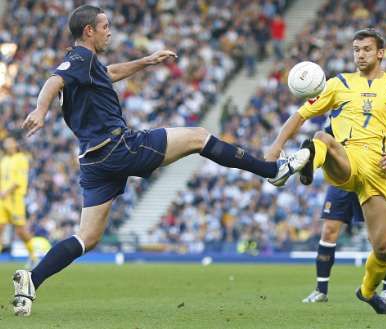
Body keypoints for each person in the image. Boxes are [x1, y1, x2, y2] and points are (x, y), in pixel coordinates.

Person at [12, 5, 310, 316]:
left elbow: (109, 73)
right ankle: (271, 170)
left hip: (93, 161)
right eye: (104, 26)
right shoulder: (78, 58)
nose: (109, 31)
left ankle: (32, 279)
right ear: (89, 31)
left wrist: (146, 61)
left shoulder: (88, 66)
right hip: (117, 147)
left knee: (87, 237)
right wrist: (40, 110)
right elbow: (53, 81)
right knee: (198, 137)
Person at [265, 28, 386, 314]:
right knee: (322, 138)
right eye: (356, 49)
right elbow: (300, 115)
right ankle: (303, 163)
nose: (360, 54)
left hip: (379, 173)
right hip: (346, 159)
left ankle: (368, 292)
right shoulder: (337, 84)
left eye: (366, 49)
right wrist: (276, 146)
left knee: (382, 248)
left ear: (380, 53)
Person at [302, 128, 386, 305]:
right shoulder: (340, 107)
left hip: (370, 174)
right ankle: (320, 290)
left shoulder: (380, 108)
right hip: (342, 178)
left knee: (377, 239)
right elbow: (326, 138)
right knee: (329, 231)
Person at [0, 137, 36, 267]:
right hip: (3, 199)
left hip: (15, 198)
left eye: (9, 142)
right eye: (5, 142)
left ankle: (33, 256)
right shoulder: (4, 160)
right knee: (0, 227)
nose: (7, 144)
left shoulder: (21, 158)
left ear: (15, 144)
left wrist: (6, 192)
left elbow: (19, 180)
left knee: (21, 231)